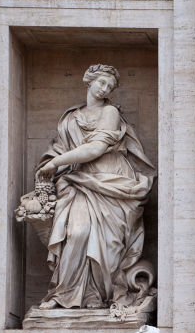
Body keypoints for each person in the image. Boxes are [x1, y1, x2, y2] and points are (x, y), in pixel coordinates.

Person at [35, 64, 155, 310]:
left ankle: (96, 296)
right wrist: (51, 164)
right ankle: (64, 294)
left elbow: (96, 149)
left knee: (106, 243)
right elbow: (59, 149)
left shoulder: (109, 112)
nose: (105, 89)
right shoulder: (70, 118)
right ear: (88, 80)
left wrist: (57, 163)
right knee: (77, 233)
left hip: (111, 180)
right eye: (101, 82)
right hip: (78, 180)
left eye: (110, 86)